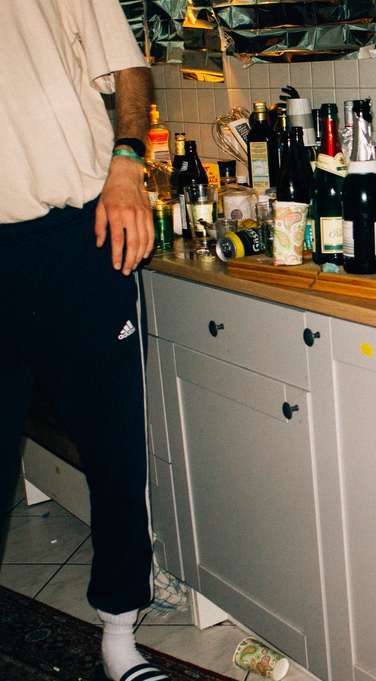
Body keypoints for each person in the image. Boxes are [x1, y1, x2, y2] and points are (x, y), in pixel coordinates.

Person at [0, 1, 166, 680]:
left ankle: (120, 635)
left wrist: (127, 163)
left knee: (115, 446)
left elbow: (127, 65)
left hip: (76, 234)